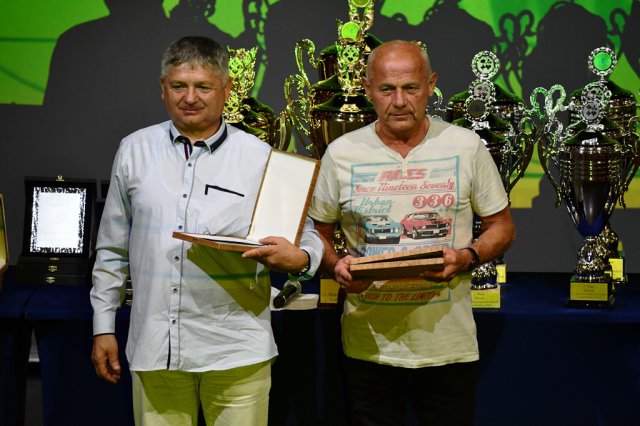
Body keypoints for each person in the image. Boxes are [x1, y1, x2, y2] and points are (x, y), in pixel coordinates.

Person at [89, 36, 323, 425]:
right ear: (163, 87)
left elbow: (308, 235)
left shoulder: (259, 156)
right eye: (179, 86)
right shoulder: (133, 150)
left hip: (237, 350)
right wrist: (103, 327)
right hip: (155, 349)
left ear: (226, 90)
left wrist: (300, 258)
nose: (190, 98)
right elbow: (112, 250)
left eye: (203, 87)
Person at [308, 40, 515, 425]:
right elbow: (315, 234)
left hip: (448, 346)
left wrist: (467, 257)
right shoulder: (341, 152)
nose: (399, 101)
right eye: (387, 89)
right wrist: (336, 266)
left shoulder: (466, 146)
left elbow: (502, 226)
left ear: (431, 85)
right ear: (368, 89)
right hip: (368, 347)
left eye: (411, 88)